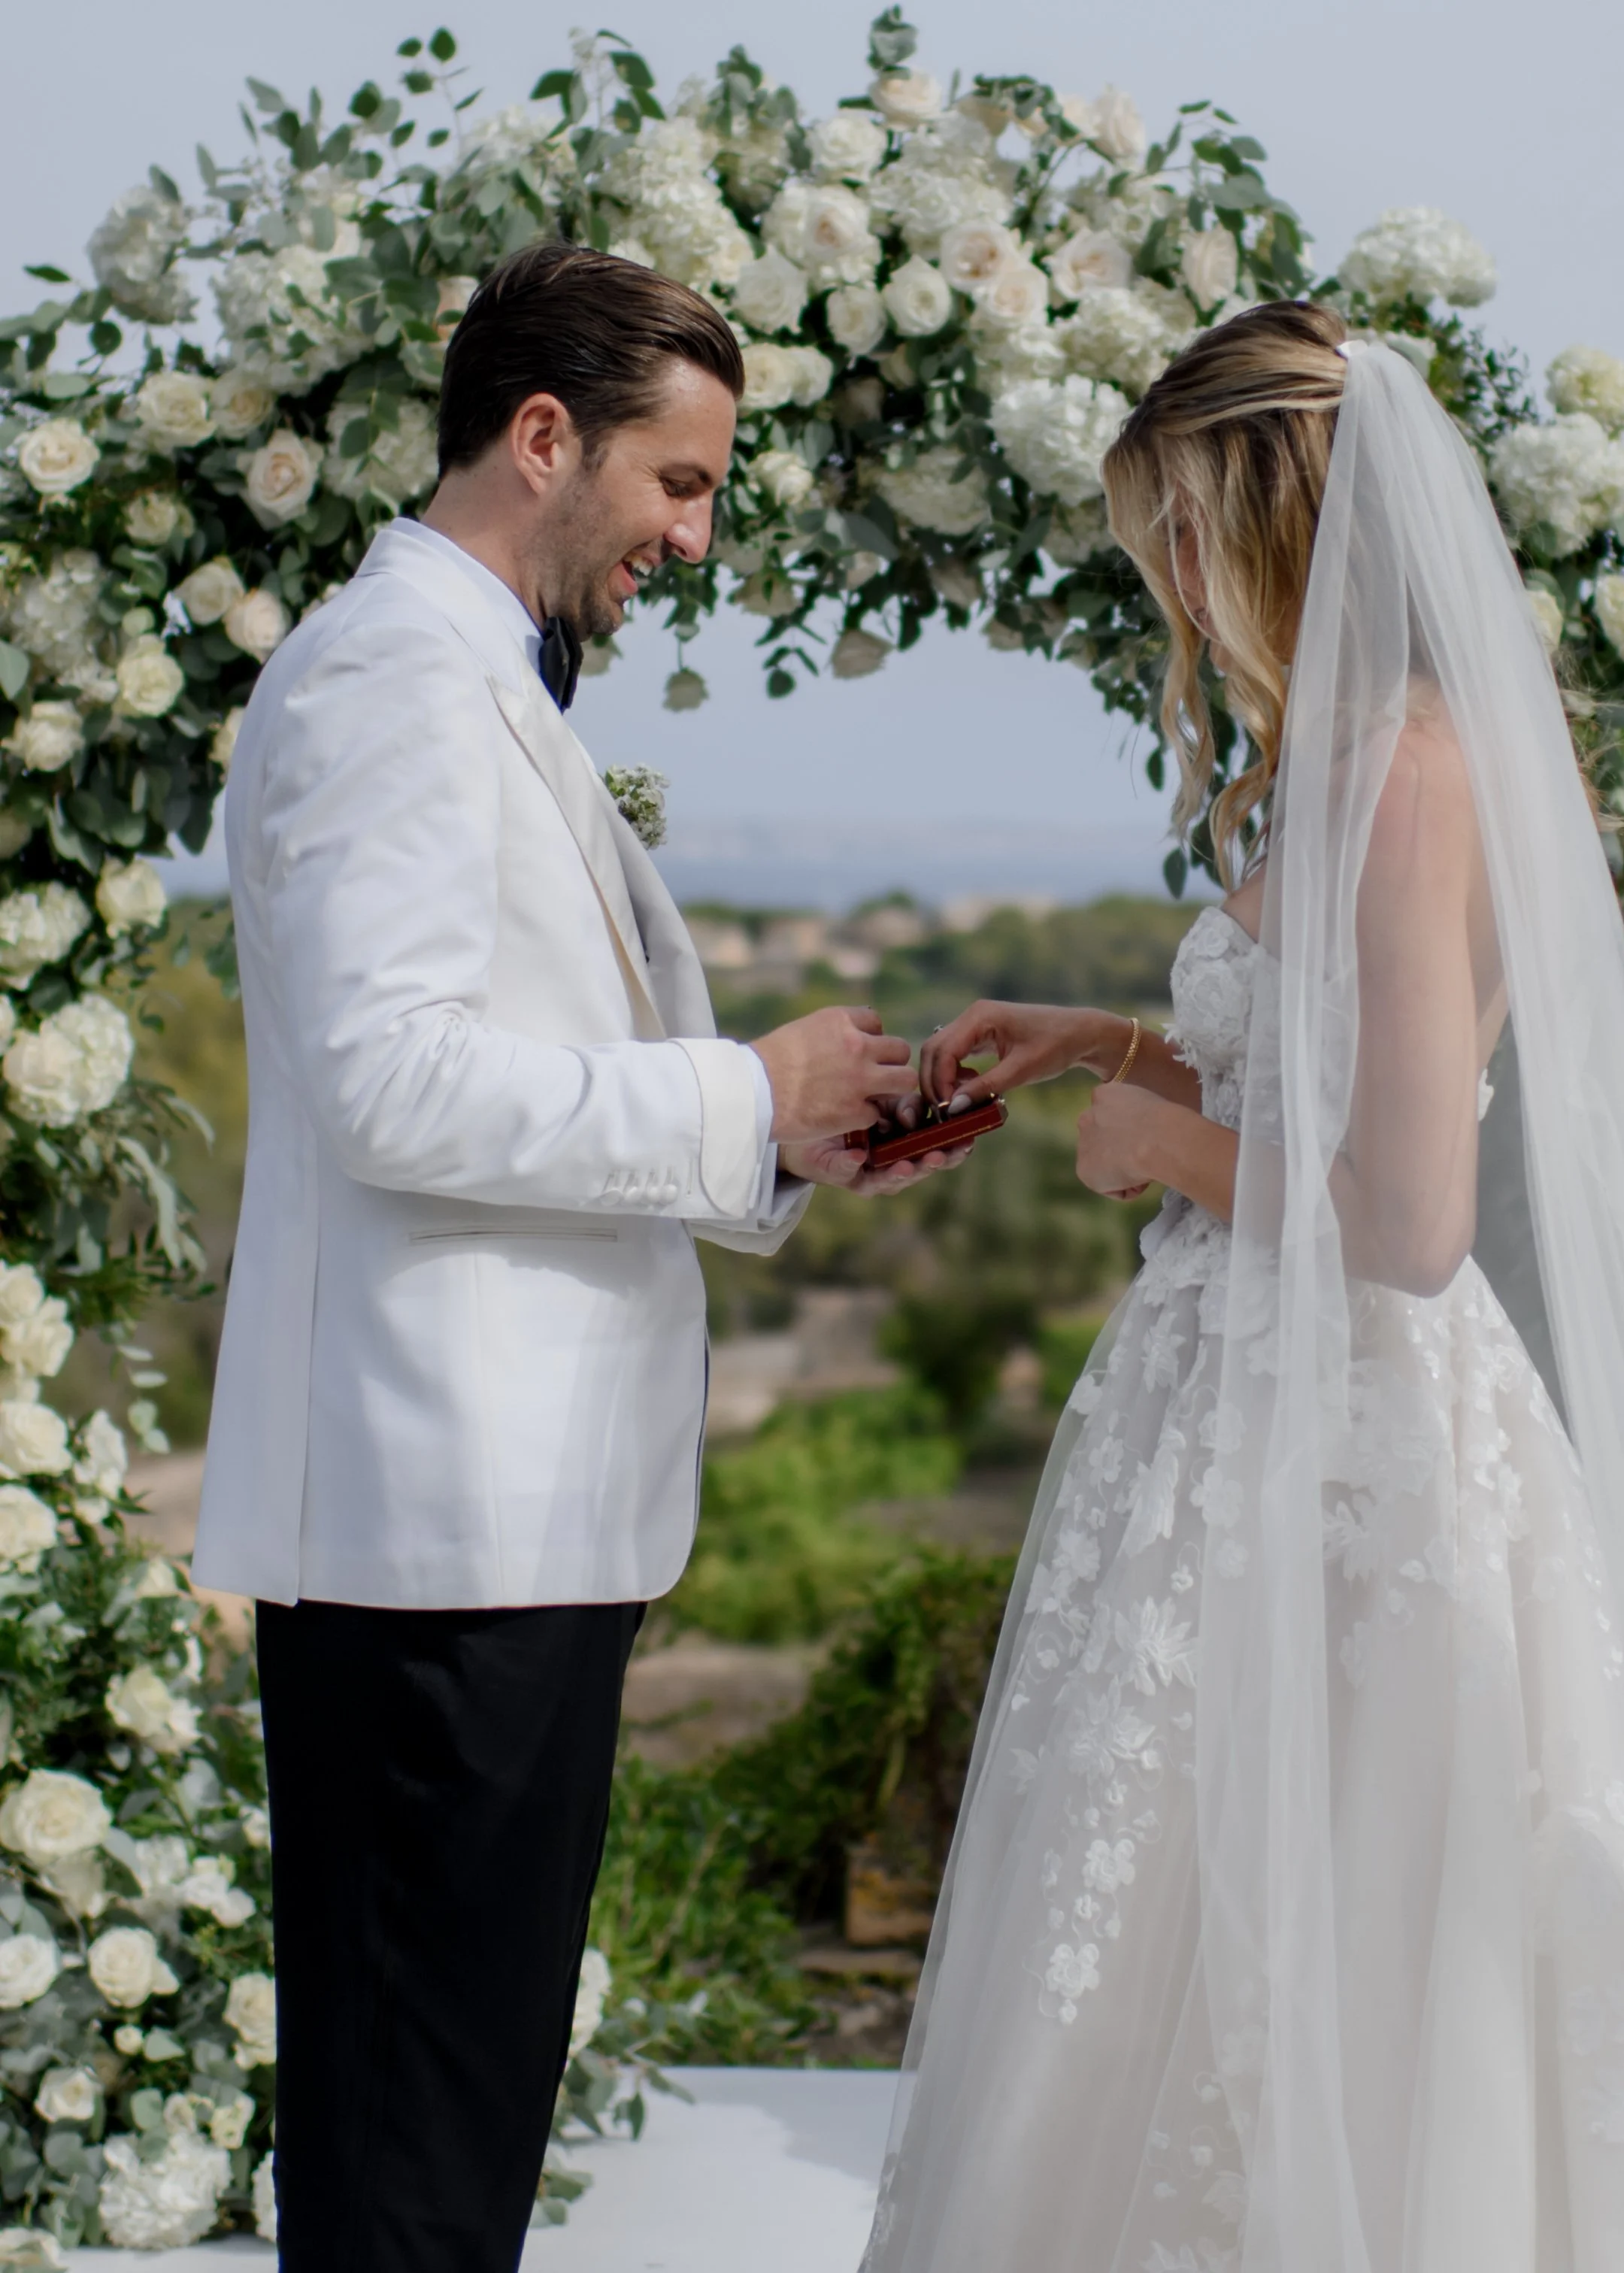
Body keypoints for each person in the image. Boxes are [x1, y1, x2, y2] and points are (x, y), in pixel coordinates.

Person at [862, 303, 1624, 2271]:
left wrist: (1159, 1153)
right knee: (1170, 1889)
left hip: (1358, 1444)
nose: (1167, 587)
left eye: (1177, 537)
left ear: (1272, 517)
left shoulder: (1416, 779)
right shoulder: (1319, 766)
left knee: (1338, 1905)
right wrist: (1097, 1046)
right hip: (1232, 1410)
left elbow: (1405, 1212)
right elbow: (1303, 1088)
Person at [192, 242, 964, 2273]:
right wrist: (731, 1090)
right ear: (546, 438)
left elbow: (519, 1065)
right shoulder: (388, 680)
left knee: (451, 2148)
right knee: (418, 2169)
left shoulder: (459, 682)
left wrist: (780, 1130)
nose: (693, 539)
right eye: (678, 484)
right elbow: (388, 1083)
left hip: (502, 1532)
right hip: (435, 1534)